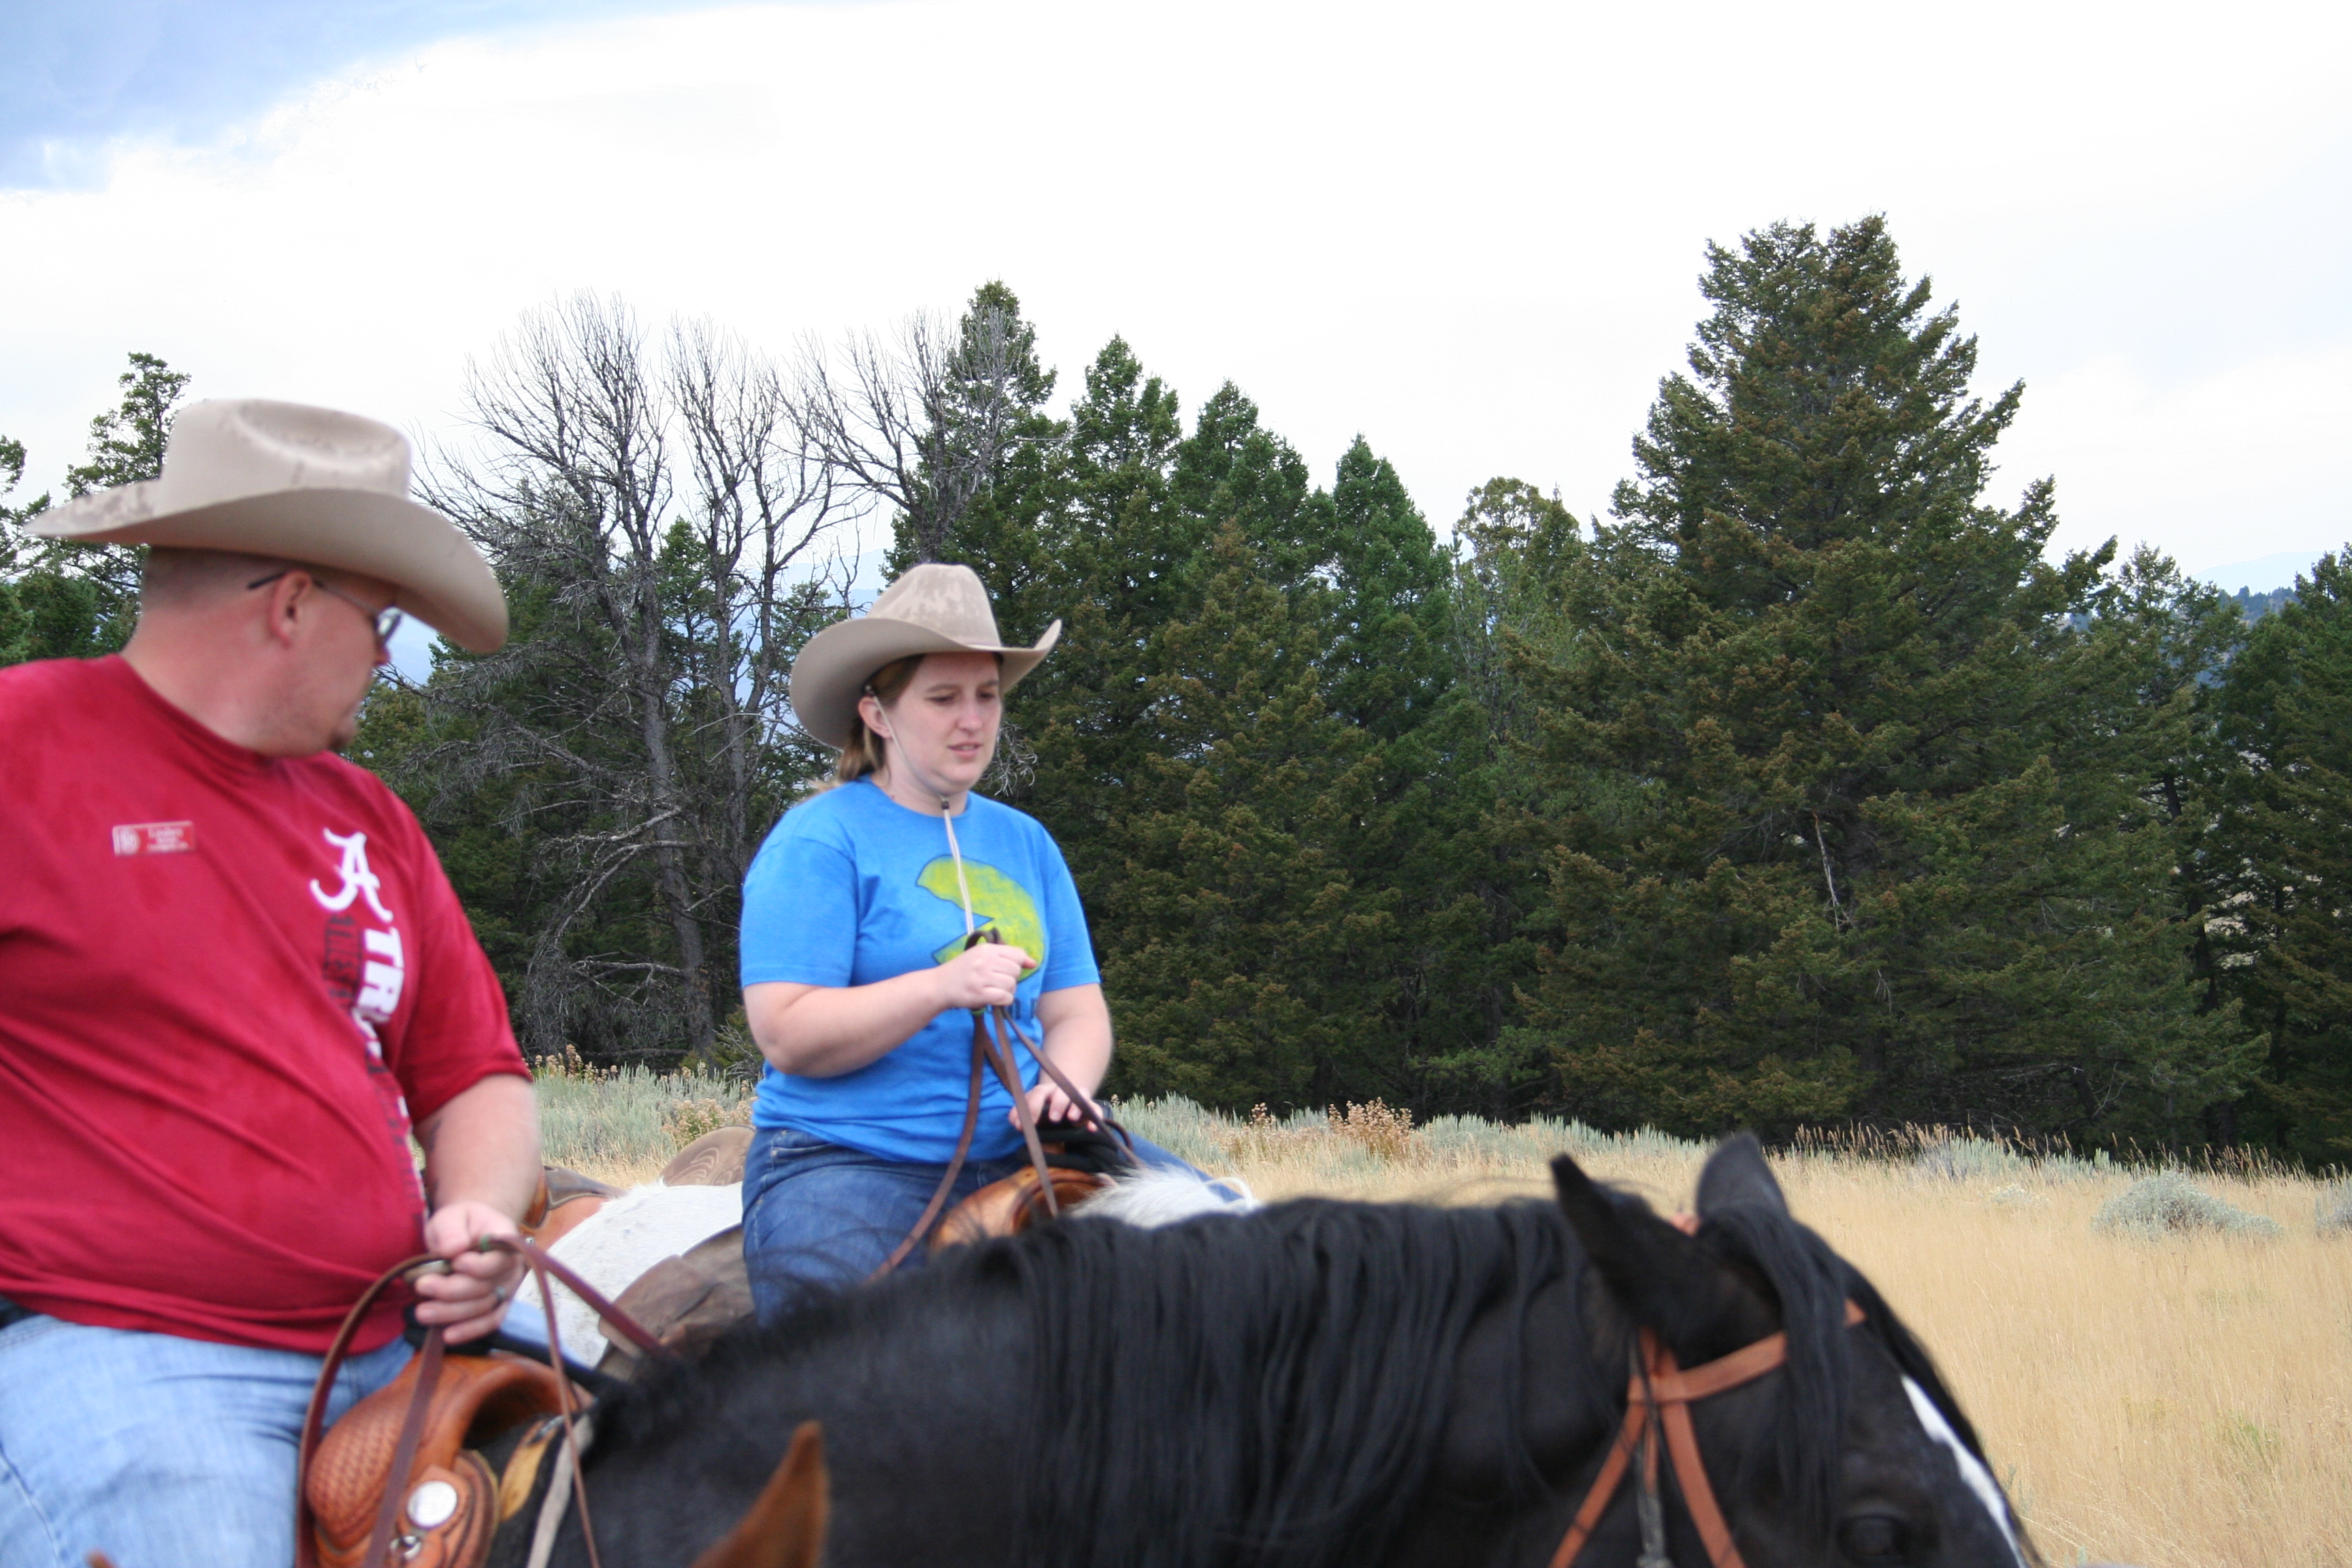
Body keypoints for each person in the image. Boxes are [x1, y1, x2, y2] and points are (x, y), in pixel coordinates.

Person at [0, 400, 539, 1568]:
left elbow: (476, 1076)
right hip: (121, 1351)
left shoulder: (369, 817)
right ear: (292, 603)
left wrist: (484, 1214)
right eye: (379, 620)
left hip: (398, 1339)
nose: (388, 657)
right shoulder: (19, 747)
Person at [740, 564, 1210, 1316]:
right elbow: (786, 1032)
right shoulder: (818, 841)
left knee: (1240, 1256)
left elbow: (1076, 1012)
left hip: (1022, 1148)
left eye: (987, 695)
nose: (973, 720)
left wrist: (1064, 1087)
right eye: (943, 698)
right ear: (878, 713)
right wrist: (940, 987)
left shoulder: (1026, 842)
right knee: (851, 1354)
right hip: (847, 1156)